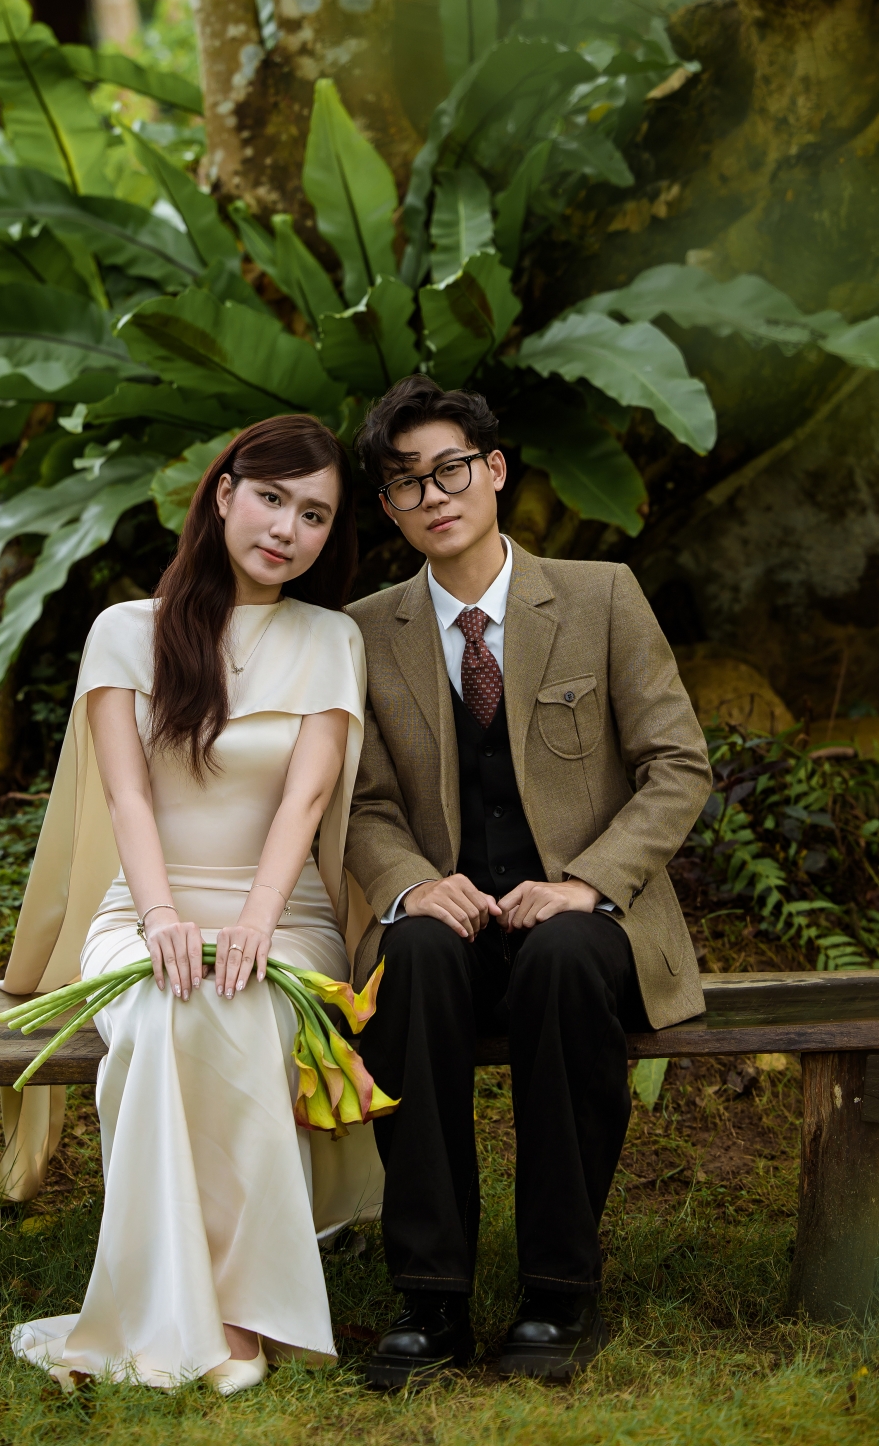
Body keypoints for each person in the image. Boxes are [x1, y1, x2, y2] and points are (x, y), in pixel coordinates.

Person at [0, 416, 382, 1394]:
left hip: (285, 912)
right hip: (145, 903)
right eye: (271, 498)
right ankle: (170, 1309)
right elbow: (127, 797)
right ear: (223, 494)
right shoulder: (125, 631)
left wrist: (255, 922)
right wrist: (162, 918)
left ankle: (244, 1314)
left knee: (244, 1008)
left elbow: (304, 800)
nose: (286, 529)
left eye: (313, 515)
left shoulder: (330, 638)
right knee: (158, 1012)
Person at [343, 375, 711, 1388]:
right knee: (412, 957)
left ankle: (557, 1292)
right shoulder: (362, 631)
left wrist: (588, 882)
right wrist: (412, 884)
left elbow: (676, 765)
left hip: (584, 924)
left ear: (495, 469)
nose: (433, 495)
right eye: (406, 482)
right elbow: (361, 802)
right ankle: (429, 1299)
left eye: (450, 469)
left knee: (560, 957)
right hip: (450, 925)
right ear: (387, 506)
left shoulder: (600, 596)